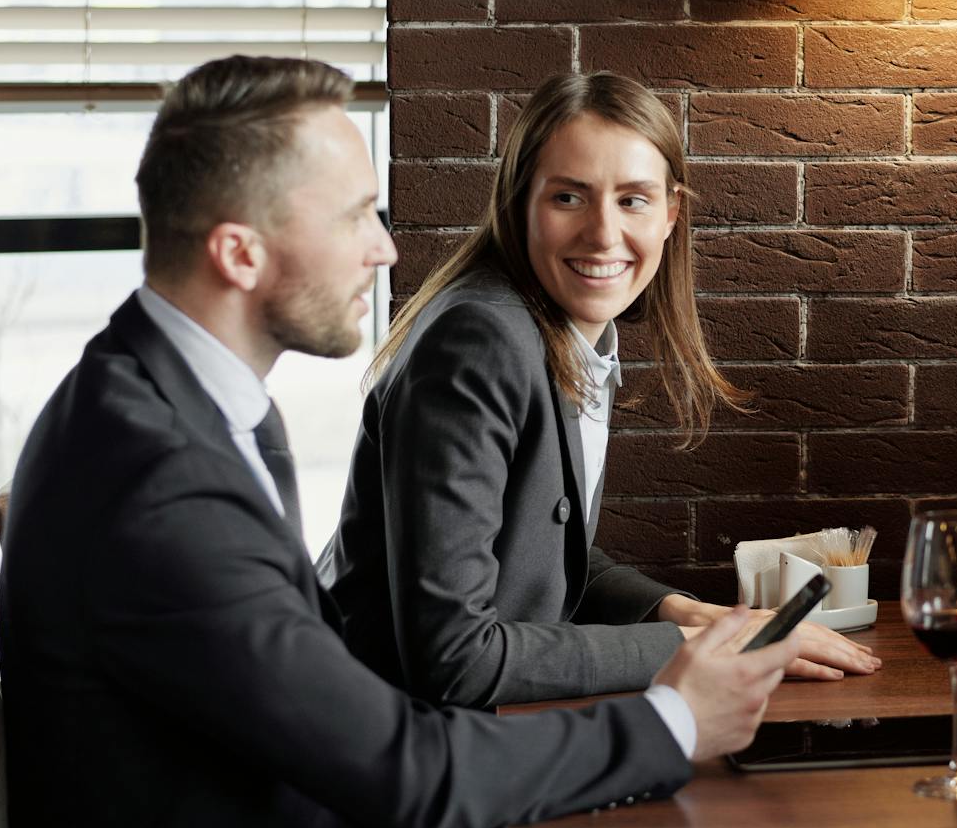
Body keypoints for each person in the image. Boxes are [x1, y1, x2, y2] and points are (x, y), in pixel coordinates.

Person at [0, 56, 801, 828]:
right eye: (354, 216)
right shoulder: (160, 479)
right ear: (240, 252)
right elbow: (410, 768)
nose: (384, 248)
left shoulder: (163, 403)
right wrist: (673, 720)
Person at [322, 71, 875, 713]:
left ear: (671, 213)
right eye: (568, 198)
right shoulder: (482, 339)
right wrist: (694, 650)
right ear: (518, 204)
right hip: (387, 752)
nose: (604, 234)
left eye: (633, 200)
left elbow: (546, 553)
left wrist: (688, 613)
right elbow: (454, 658)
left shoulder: (567, 331)